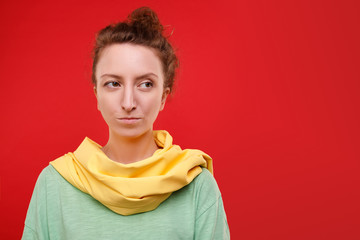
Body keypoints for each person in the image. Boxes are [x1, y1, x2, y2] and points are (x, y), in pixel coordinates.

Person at [22, 7, 230, 240]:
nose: (128, 102)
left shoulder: (197, 186)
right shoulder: (54, 184)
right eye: (113, 84)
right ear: (96, 94)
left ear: (163, 96)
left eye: (146, 84)